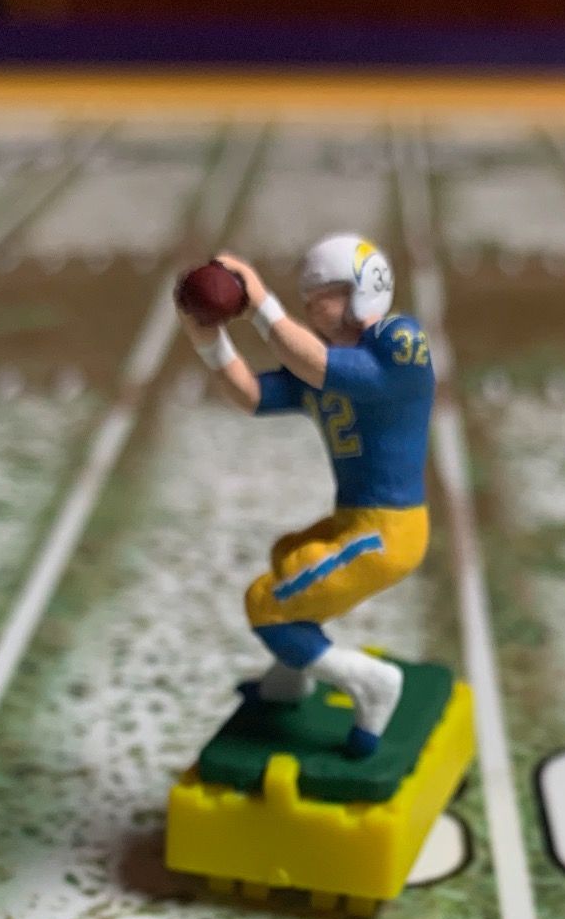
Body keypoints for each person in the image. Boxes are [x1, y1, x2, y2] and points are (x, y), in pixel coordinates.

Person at [176, 233, 435, 755]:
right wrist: (207, 339)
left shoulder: (398, 341)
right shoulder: (319, 360)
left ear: (365, 290)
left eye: (328, 296)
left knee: (265, 602)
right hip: (357, 520)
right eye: (311, 300)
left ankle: (372, 683)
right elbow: (251, 395)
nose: (316, 308)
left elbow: (321, 365)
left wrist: (260, 304)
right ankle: (290, 679)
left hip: (391, 530)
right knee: (286, 557)